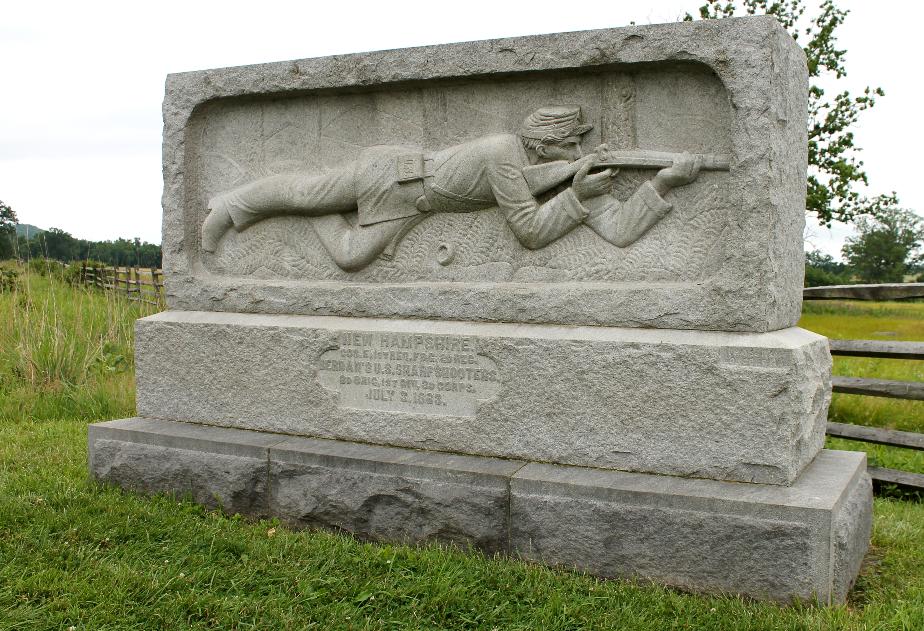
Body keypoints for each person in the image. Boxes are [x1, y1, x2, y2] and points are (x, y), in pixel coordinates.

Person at [201, 105, 701, 271]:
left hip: (413, 201)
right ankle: (230, 205)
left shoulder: (565, 176)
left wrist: (663, 183)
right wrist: (575, 193)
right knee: (310, 192)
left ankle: (311, 211)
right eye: (570, 143)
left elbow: (615, 230)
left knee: (351, 257)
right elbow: (527, 228)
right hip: (396, 174)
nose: (575, 150)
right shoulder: (504, 150)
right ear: (547, 144)